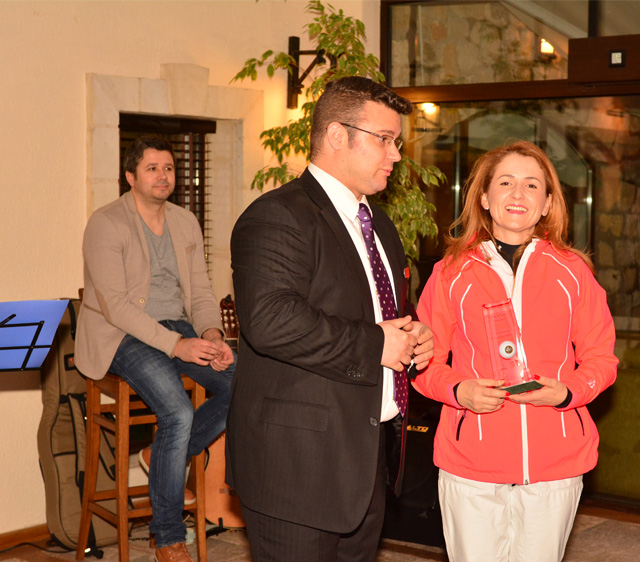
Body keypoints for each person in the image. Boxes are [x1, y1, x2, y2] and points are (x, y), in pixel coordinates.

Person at [227, 76, 434, 562]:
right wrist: (377, 344)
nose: (396, 155)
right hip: (298, 467)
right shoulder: (277, 215)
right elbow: (271, 320)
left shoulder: (379, 224)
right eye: (384, 139)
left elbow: (380, 312)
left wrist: (413, 332)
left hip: (365, 458)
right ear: (338, 135)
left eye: (397, 142)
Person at [412, 141, 618, 562]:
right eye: (505, 183)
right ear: (485, 198)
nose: (518, 193)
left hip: (556, 464)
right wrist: (459, 391)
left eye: (532, 185)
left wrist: (567, 392)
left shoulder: (574, 273)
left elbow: (602, 358)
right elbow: (422, 361)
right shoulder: (450, 273)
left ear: (547, 204)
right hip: (470, 463)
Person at [75, 136, 235, 562]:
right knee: (178, 413)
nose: (163, 175)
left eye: (168, 168)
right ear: (130, 176)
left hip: (177, 328)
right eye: (152, 168)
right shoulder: (106, 223)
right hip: (120, 335)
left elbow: (200, 290)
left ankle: (161, 454)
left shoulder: (185, 221)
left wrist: (212, 334)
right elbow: (116, 307)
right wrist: (177, 345)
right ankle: (167, 538)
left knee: (243, 384)